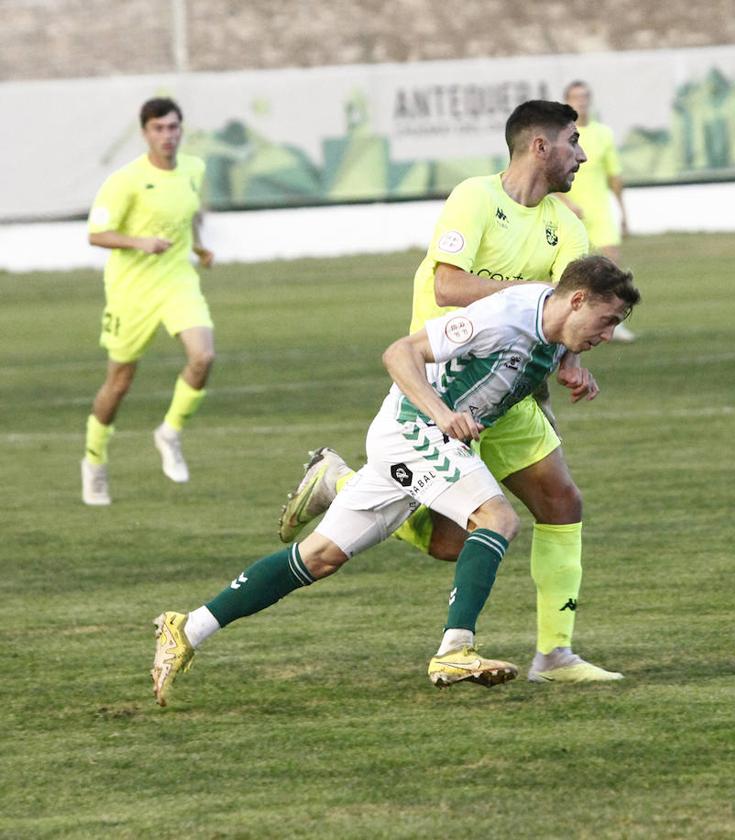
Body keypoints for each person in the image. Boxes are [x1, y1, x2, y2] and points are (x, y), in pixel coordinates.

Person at [151, 256, 641, 706]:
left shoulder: (552, 329)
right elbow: (399, 352)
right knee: (497, 518)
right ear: (577, 299)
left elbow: (522, 367)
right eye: (607, 321)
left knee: (319, 558)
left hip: (421, 439)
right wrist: (442, 414)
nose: (608, 334)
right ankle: (456, 649)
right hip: (415, 429)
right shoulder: (501, 316)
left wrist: (572, 373)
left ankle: (187, 628)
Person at [279, 100, 627, 685]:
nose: (583, 154)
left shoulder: (567, 225)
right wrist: (533, 297)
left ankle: (555, 655)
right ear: (540, 146)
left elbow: (571, 309)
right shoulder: (476, 198)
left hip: (511, 396)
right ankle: (342, 484)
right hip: (440, 396)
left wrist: (568, 357)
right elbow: (446, 285)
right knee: (450, 543)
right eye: (573, 141)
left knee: (562, 503)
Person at [82, 97, 216, 506]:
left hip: (177, 281)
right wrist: (139, 241)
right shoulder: (126, 181)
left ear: (181, 130)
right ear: (145, 133)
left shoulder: (194, 169)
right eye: (159, 129)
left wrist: (198, 247)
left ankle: (170, 432)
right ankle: (94, 460)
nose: (167, 136)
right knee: (119, 382)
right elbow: (96, 234)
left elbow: (188, 213)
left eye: (173, 127)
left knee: (203, 356)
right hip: (132, 292)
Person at [558, 80, 636, 343]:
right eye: (575, 97)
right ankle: (568, 324)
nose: (581, 101)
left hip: (600, 214)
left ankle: (615, 323)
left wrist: (623, 213)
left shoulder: (603, 134)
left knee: (613, 271)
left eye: (584, 97)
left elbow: (614, 176)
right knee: (570, 275)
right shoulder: (559, 135)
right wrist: (566, 203)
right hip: (570, 217)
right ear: (566, 101)